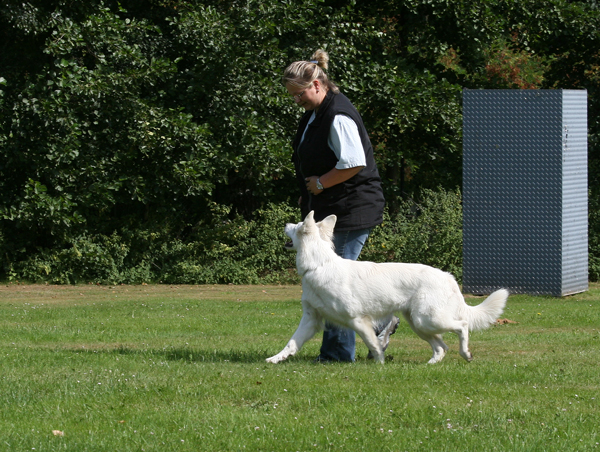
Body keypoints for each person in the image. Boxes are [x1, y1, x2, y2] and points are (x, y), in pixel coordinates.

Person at [283, 49, 399, 363]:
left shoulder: (337, 115)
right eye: (293, 96)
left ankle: (336, 355)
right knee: (337, 282)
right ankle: (379, 323)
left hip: (351, 208)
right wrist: (309, 193)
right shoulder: (317, 111)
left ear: (316, 85)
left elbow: (353, 162)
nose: (297, 100)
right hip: (331, 206)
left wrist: (321, 184)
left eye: (299, 94)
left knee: (335, 283)